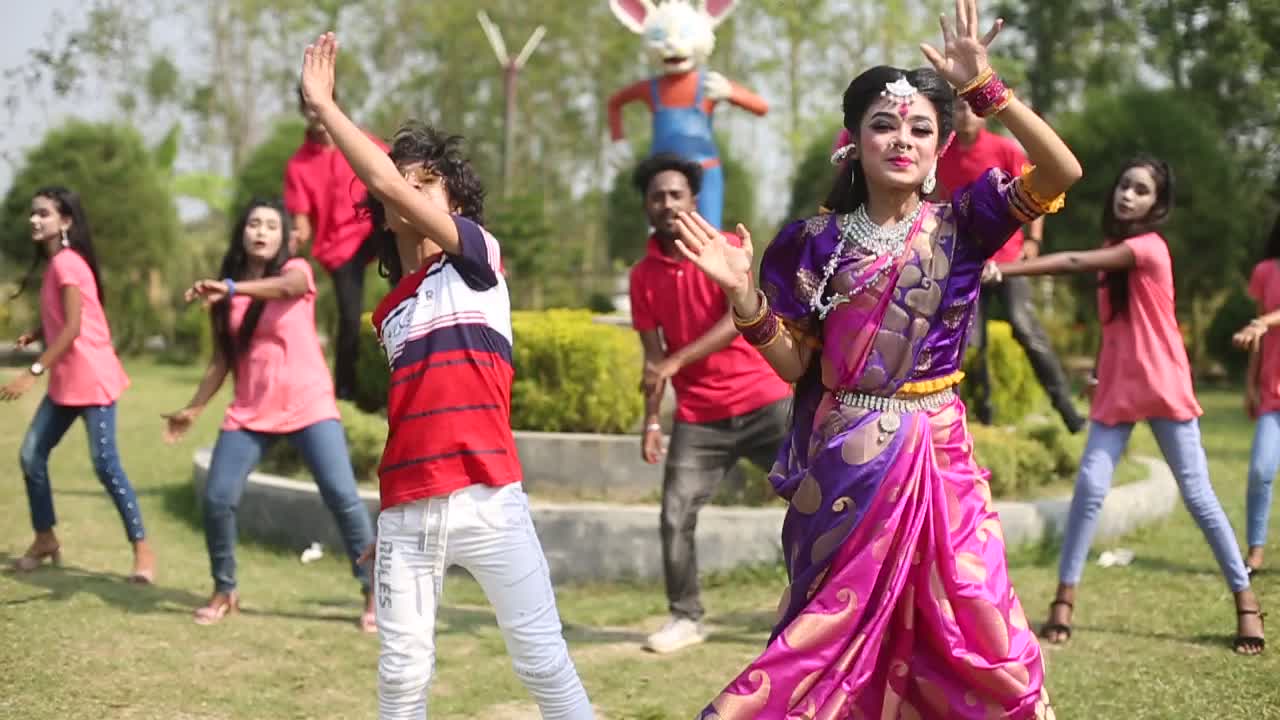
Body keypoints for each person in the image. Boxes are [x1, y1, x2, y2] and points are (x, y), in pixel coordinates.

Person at [673, 2, 1070, 715]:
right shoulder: (810, 243)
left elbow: (1060, 167)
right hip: (848, 461)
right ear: (851, 141)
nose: (901, 139)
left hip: (942, 457)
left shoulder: (966, 224)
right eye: (883, 124)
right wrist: (742, 295)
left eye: (921, 127)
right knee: (828, 632)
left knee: (978, 619)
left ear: (941, 145)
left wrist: (989, 91)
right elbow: (798, 368)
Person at [300, 33, 593, 719]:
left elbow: (376, 178)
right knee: (401, 680)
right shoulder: (388, 314)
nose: (406, 188)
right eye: (402, 180)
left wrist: (326, 106)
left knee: (542, 661)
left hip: (490, 500)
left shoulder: (478, 259)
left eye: (425, 180)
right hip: (406, 509)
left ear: (454, 205)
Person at [990, 156, 1265, 655]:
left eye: (1140, 190)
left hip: (1163, 384)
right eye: (1124, 186)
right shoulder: (1113, 250)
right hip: (1119, 387)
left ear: (1157, 204)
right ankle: (1064, 599)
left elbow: (1072, 263)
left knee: (1199, 495)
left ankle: (1245, 600)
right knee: (1090, 487)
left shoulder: (1149, 248)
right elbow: (1112, 325)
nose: (1127, 195)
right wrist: (1099, 371)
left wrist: (1005, 270)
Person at [163, 199, 376, 630]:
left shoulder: (297, 270)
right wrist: (194, 408)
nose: (261, 231)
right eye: (254, 224)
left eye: (271, 226)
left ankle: (375, 590)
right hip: (251, 410)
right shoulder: (227, 297)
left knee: (342, 496)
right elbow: (222, 360)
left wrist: (232, 288)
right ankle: (225, 589)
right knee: (218, 498)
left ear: (283, 238)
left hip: (308, 403)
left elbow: (288, 288)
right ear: (242, 232)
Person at [628, 152, 792, 654]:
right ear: (648, 206)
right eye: (658, 196)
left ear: (693, 200)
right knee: (675, 515)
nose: (667, 203)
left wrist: (676, 362)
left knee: (817, 499)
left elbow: (736, 319)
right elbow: (655, 359)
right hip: (700, 419)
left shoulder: (722, 249)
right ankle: (685, 617)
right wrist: (653, 420)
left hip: (765, 401)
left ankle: (822, 606)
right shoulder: (642, 276)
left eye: (676, 194)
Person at [3, 186, 156, 583]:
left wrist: (31, 371)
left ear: (65, 221)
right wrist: (37, 332)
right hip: (67, 382)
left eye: (44, 214)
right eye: (32, 214)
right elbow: (70, 315)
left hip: (92, 377)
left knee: (106, 465)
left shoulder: (67, 264)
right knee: (32, 456)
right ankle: (45, 538)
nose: (35, 220)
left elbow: (72, 329)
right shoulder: (60, 264)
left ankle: (142, 550)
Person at [940, 97, 1084, 432]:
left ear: (984, 115)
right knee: (970, 341)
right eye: (958, 108)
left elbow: (1039, 187)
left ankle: (1067, 409)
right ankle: (980, 413)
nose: (964, 115)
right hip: (968, 260)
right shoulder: (943, 154)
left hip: (1009, 259)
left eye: (970, 108)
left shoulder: (1004, 148)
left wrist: (1033, 241)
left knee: (1024, 326)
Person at [284, 82, 389, 401]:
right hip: (339, 245)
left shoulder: (358, 141)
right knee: (349, 315)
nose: (315, 112)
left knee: (406, 269)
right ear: (303, 112)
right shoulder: (299, 165)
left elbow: (396, 175)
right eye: (309, 107)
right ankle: (345, 389)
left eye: (320, 104)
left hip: (374, 229)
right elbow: (301, 216)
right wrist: (295, 236)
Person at [1228, 216, 1280, 577]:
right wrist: (1250, 384)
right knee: (1261, 469)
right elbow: (1257, 328)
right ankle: (1256, 551)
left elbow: (1262, 323)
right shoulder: (1265, 271)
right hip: (1272, 389)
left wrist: (1265, 322)